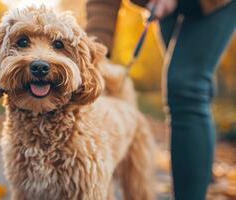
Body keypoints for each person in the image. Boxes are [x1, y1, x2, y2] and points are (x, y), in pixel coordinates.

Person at [85, 0, 236, 199]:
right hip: (167, 8)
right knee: (196, 86)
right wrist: (94, 56)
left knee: (185, 84)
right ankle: (201, 170)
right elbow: (102, 3)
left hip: (218, 4)